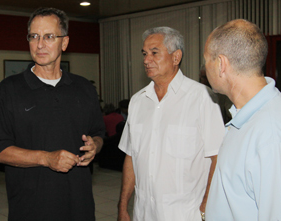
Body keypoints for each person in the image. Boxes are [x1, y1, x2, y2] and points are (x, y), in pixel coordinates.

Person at [0, 7, 104, 221]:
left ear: (65, 43)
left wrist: (95, 145)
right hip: (31, 209)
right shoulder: (9, 89)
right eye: (34, 36)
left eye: (49, 37)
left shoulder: (84, 88)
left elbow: (98, 133)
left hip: (80, 207)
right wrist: (46, 158)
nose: (40, 44)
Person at [117, 27, 225, 221]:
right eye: (144, 53)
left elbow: (218, 158)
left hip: (185, 215)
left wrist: (204, 209)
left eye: (154, 53)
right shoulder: (138, 101)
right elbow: (131, 156)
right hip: (144, 213)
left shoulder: (202, 98)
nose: (146, 60)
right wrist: (123, 206)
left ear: (176, 57)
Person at [204, 19, 281, 220]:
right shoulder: (247, 118)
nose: (205, 69)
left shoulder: (270, 132)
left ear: (221, 64)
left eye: (207, 60)